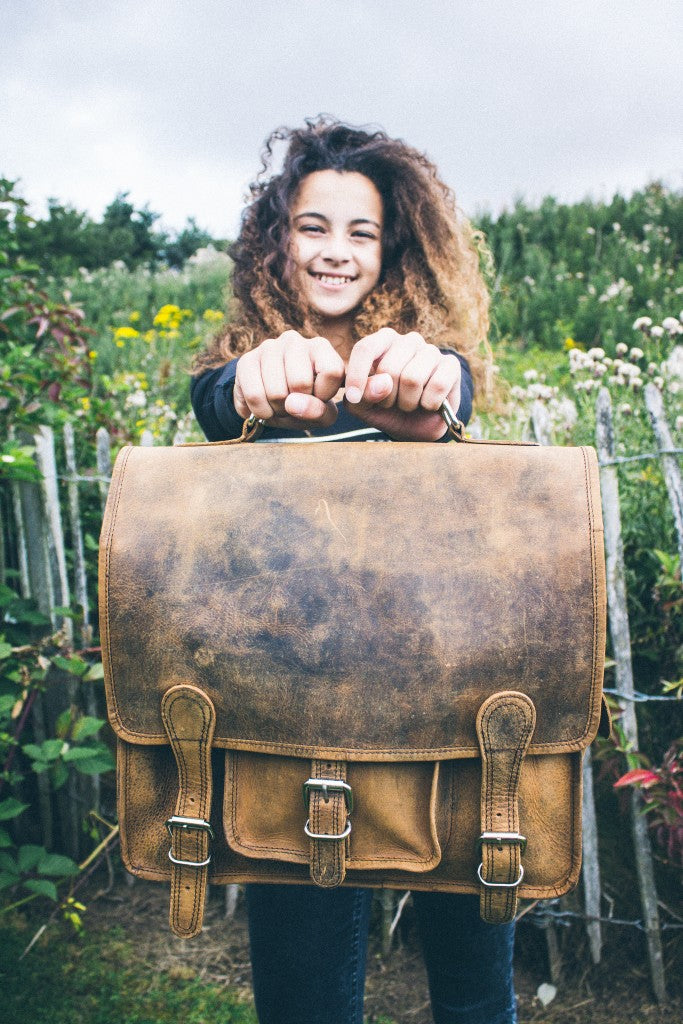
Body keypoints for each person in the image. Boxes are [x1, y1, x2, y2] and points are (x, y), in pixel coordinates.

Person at [191, 117, 516, 1024]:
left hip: (447, 722)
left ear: (392, 252)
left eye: (361, 232)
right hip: (291, 727)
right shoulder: (232, 373)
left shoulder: (428, 361)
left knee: (475, 993)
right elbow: (224, 402)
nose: (336, 252)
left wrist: (417, 390)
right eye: (313, 226)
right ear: (277, 242)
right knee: (303, 1000)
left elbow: (443, 399)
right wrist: (263, 380)